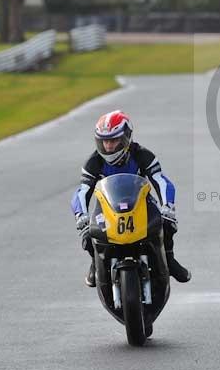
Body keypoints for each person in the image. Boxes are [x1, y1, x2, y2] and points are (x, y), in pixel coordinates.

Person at [71, 110, 191, 287]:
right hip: (107, 209)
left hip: (141, 205)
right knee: (89, 233)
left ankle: (169, 259)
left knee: (166, 223)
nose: (109, 146)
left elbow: (161, 181)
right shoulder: (93, 162)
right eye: (104, 141)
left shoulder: (142, 154)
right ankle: (95, 264)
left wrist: (168, 206)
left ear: (126, 137)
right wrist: (80, 215)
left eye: (113, 140)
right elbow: (82, 192)